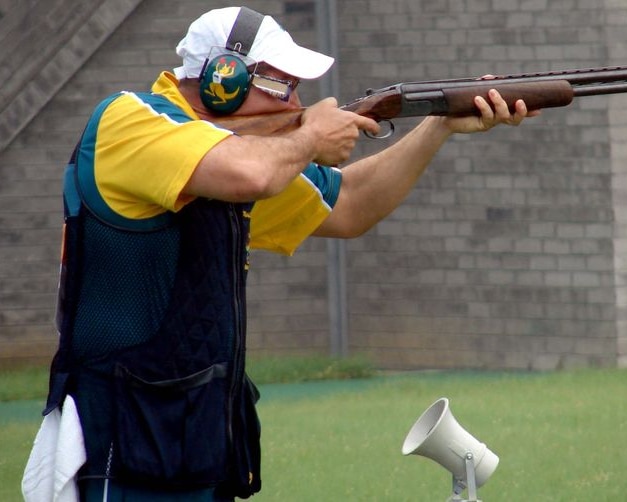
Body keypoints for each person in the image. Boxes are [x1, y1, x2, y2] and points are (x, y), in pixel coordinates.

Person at [26, 5, 538, 501]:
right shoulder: (127, 119)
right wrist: (311, 136)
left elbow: (352, 205)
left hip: (194, 445)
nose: (295, 104)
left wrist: (439, 124)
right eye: (280, 85)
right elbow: (252, 172)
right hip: (123, 444)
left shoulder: (239, 160)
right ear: (220, 79)